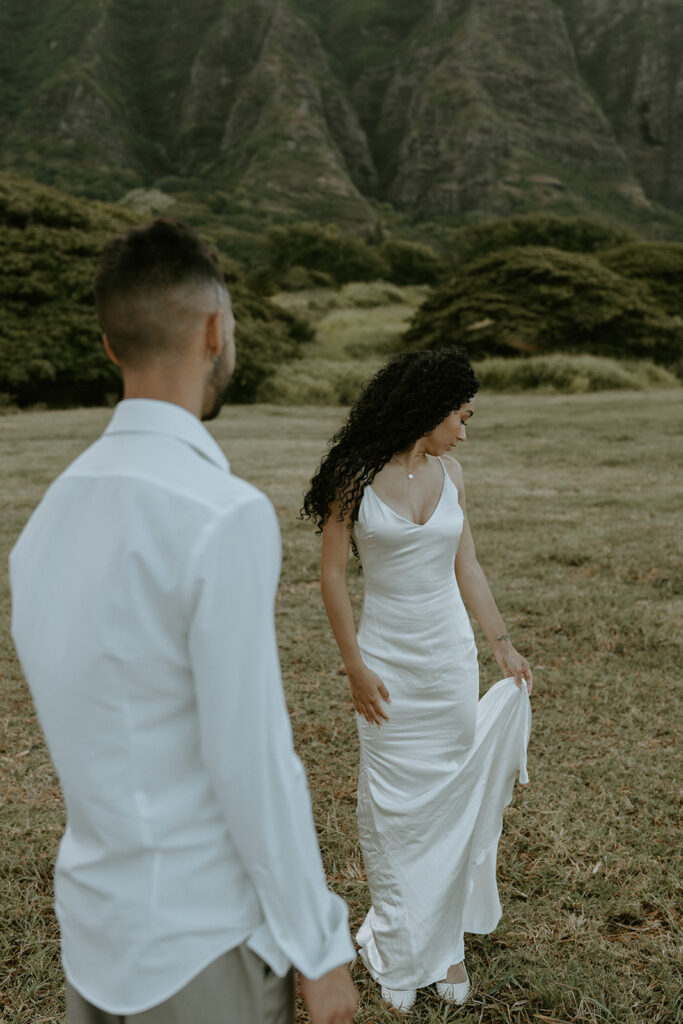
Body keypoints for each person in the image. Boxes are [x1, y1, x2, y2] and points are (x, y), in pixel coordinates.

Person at [9, 220, 357, 1024]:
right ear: (215, 331)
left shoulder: (45, 523)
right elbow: (253, 758)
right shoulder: (218, 512)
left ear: (109, 347)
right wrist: (319, 946)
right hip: (201, 945)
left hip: (96, 940)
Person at [301, 347, 533, 1013]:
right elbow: (331, 575)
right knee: (396, 810)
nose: (465, 429)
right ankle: (402, 946)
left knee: (449, 804)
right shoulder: (355, 473)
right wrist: (353, 666)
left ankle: (447, 946)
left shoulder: (451, 472)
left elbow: (469, 567)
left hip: (447, 664)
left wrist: (502, 647)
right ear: (428, 412)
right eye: (460, 416)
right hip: (385, 666)